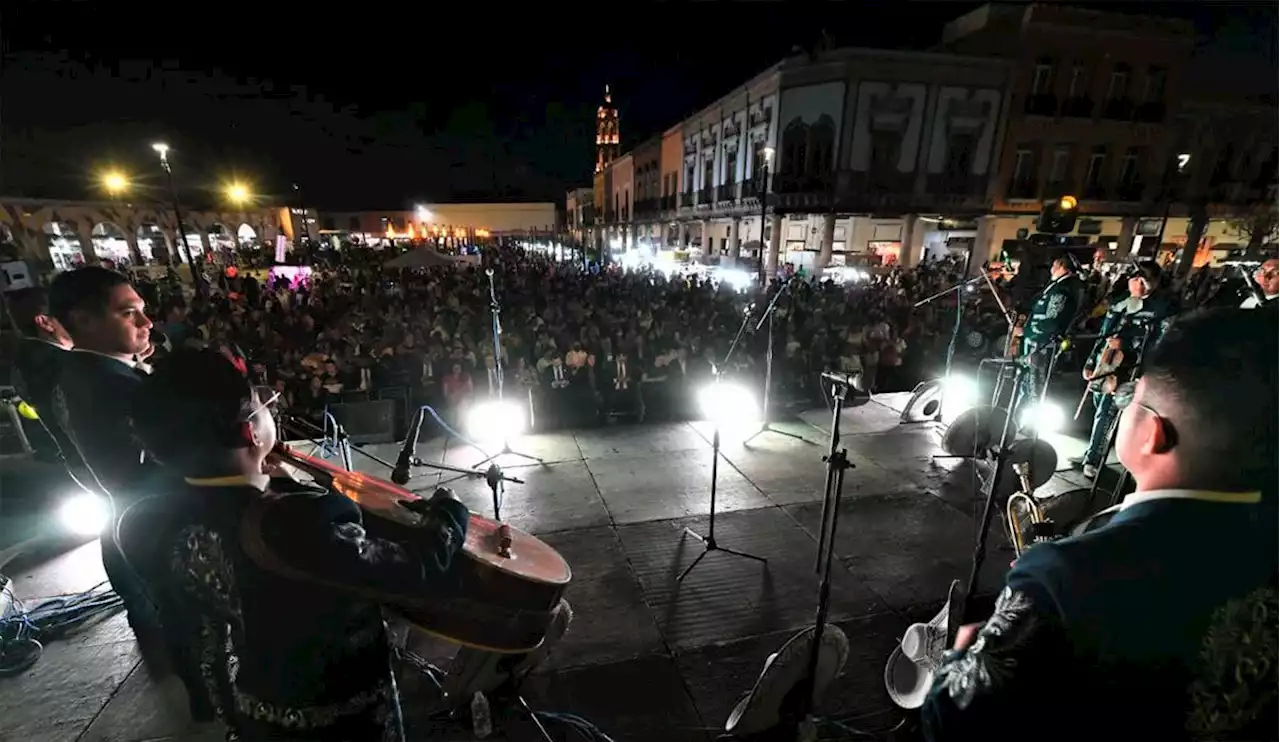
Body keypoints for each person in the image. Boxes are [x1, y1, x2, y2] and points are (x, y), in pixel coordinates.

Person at [921, 307, 1278, 742]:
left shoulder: (1064, 574)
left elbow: (954, 719)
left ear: (1153, 433)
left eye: (1132, 401)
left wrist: (963, 653)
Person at [128, 348, 470, 741]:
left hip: (257, 706)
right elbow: (416, 570)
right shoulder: (301, 521)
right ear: (250, 433)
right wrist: (450, 514)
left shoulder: (150, 522)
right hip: (339, 715)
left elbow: (205, 641)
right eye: (264, 405)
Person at [47, 266, 162, 634]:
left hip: (123, 523)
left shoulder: (79, 372)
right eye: (128, 313)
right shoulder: (110, 385)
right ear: (84, 319)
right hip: (153, 533)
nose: (146, 321)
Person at [1074, 261, 1176, 479]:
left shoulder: (1162, 309)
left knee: (1106, 412)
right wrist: (1091, 362)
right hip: (1106, 364)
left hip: (1129, 369)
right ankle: (1094, 450)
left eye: (1141, 278)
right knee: (1098, 406)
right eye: (1133, 277)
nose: (1135, 282)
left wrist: (1129, 346)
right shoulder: (1120, 304)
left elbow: (1160, 342)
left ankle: (1094, 458)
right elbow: (1104, 334)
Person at [6, 287, 74, 461]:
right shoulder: (67, 362)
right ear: (44, 322)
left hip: (72, 459)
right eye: (68, 315)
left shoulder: (21, 362)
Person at [1012, 255, 1082, 417]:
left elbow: (1051, 322)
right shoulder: (1056, 287)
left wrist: (1026, 331)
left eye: (1053, 265)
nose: (1051, 269)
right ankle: (1017, 419)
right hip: (1034, 343)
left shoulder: (1062, 290)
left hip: (1042, 345)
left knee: (1036, 386)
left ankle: (1031, 425)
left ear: (1061, 267)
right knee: (1026, 384)